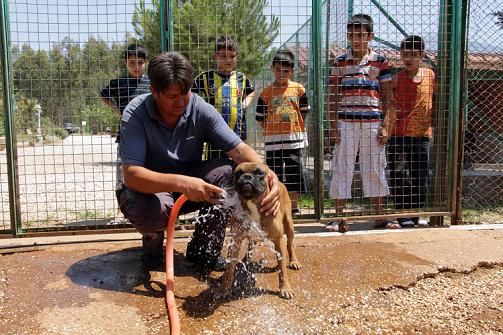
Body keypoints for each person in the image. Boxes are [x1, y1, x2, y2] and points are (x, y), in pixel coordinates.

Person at [117, 52, 280, 270]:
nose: (181, 101)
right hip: (149, 191)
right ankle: (153, 248)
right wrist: (182, 183)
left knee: (227, 173)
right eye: (172, 96)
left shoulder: (199, 107)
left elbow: (240, 151)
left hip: (191, 185)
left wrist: (271, 177)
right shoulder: (135, 113)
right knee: (149, 210)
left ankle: (204, 252)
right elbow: (132, 175)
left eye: (185, 93)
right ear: (154, 92)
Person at [326, 14, 397, 231]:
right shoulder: (340, 61)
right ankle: (338, 217)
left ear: (370, 36)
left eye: (360, 35)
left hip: (373, 123)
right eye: (351, 35)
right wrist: (332, 126)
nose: (356, 39)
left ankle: (379, 216)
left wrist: (387, 125)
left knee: (375, 167)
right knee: (342, 167)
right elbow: (332, 96)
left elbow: (388, 96)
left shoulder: (381, 62)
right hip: (346, 123)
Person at [388, 35, 435, 227]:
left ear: (422, 55)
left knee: (420, 176)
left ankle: (414, 214)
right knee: (399, 176)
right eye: (405, 54)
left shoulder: (431, 75)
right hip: (399, 135)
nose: (408, 59)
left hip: (422, 135)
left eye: (414, 54)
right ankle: (403, 215)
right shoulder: (396, 79)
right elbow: (390, 106)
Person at [255, 50, 310, 216]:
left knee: (295, 173)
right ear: (272, 69)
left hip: (294, 140)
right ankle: (276, 207)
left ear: (292, 71)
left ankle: (293, 207)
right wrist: (270, 129)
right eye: (278, 70)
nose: (281, 74)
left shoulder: (299, 89)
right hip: (273, 142)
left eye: (286, 71)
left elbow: (304, 111)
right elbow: (259, 117)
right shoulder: (266, 92)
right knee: (274, 174)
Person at [100, 44, 151, 199]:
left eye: (140, 62)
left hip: (149, 134)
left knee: (149, 170)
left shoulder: (151, 82)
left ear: (146, 62)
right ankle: (123, 207)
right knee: (123, 172)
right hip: (126, 135)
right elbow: (104, 95)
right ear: (125, 63)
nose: (136, 67)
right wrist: (118, 111)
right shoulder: (118, 83)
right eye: (132, 63)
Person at [192, 35, 254, 159]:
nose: (229, 60)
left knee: (238, 164)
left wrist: (244, 104)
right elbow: (189, 92)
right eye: (224, 56)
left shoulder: (241, 78)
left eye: (232, 56)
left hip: (237, 132)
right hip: (213, 133)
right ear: (215, 57)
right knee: (214, 165)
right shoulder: (205, 77)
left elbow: (251, 91)